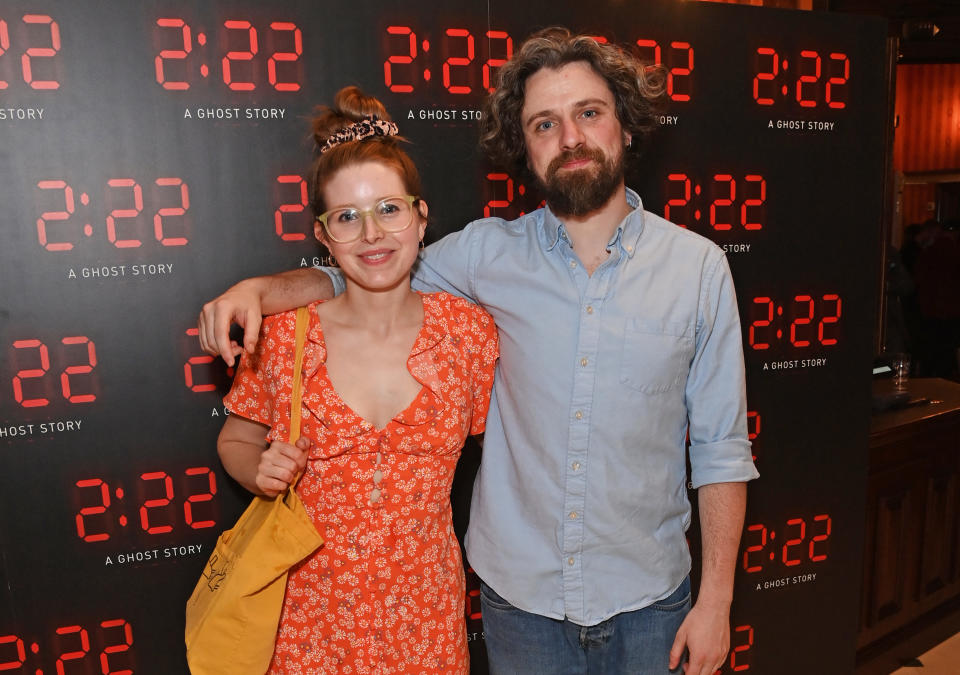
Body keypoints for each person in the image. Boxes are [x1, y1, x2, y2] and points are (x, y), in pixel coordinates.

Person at [201, 29, 758, 675]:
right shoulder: (483, 254)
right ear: (524, 146)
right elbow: (369, 265)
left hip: (652, 604)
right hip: (521, 609)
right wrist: (259, 290)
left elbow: (721, 448)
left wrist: (717, 599)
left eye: (589, 113)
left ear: (626, 126)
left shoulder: (698, 268)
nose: (570, 137)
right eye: (544, 123)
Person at [216, 86, 498, 674]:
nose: (371, 234)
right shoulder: (286, 336)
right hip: (306, 626)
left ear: (422, 220)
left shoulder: (469, 334)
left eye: (389, 210)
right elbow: (237, 440)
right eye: (347, 216)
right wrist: (259, 472)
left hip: (426, 627)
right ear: (324, 237)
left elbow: (512, 455)